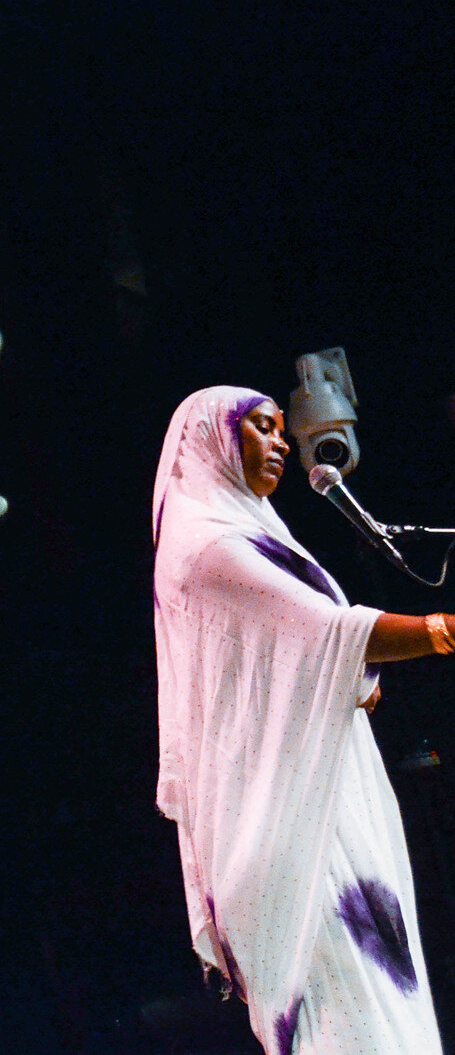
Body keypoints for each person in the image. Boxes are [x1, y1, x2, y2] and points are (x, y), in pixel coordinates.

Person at [153, 386, 444, 1053]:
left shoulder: (250, 534)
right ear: (209, 440)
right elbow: (330, 634)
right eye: (260, 427)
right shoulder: (206, 548)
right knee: (354, 1019)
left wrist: (356, 680)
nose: (281, 443)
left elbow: (307, 652)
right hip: (286, 826)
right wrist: (441, 631)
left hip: (323, 798)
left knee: (381, 1013)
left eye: (282, 430)